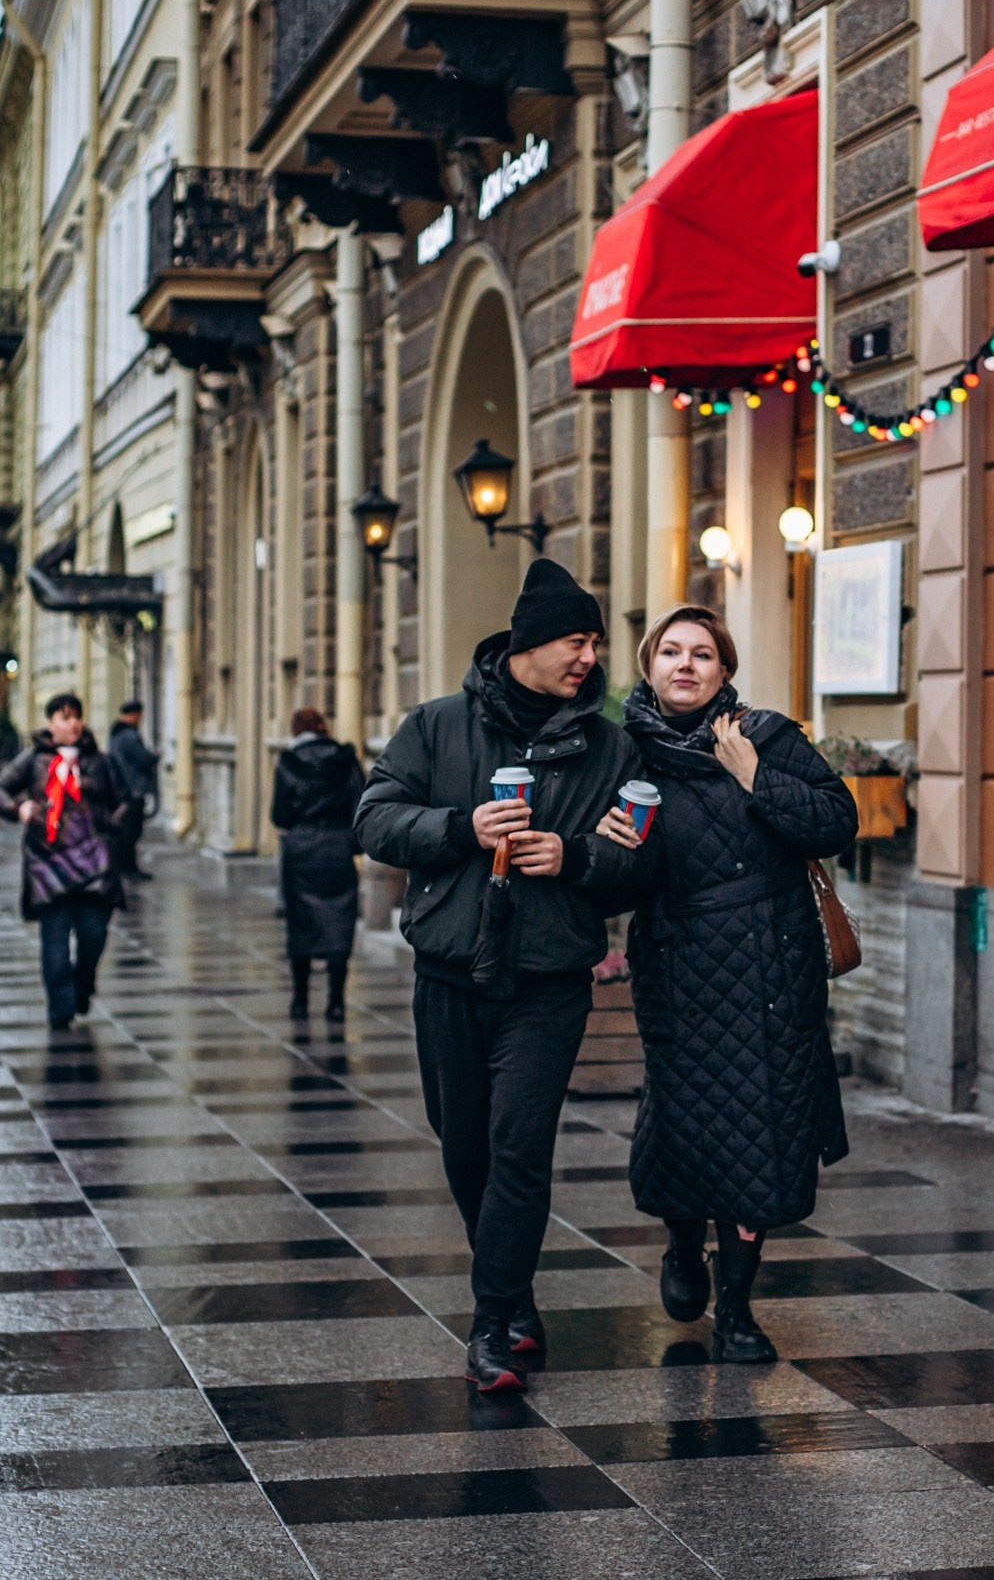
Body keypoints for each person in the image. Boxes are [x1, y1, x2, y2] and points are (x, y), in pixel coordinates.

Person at [354, 558, 654, 1393]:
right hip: (450, 973)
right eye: (574, 639)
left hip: (549, 978)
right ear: (525, 645)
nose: (589, 657)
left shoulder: (611, 746)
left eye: (596, 641)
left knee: (519, 1146)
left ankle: (490, 1327)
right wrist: (460, 826)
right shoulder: (437, 725)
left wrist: (578, 856)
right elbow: (373, 818)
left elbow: (640, 863)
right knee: (466, 1149)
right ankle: (515, 1291)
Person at [595, 604, 859, 1363]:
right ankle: (683, 1246)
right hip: (680, 972)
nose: (685, 664)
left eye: (702, 653)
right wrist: (605, 846)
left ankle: (738, 1310)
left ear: (725, 670)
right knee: (685, 1129)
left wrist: (757, 776)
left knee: (764, 1139)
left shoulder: (767, 737)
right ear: (649, 667)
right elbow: (609, 885)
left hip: (774, 976)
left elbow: (837, 824)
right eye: (670, 652)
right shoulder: (621, 757)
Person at [0, 693, 126, 1030]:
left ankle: (83, 985)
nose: (73, 723)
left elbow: (124, 800)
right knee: (55, 943)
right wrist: (20, 809)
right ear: (50, 723)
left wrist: (111, 825)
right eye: (64, 718)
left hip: (94, 863)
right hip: (47, 861)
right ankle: (60, 1009)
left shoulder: (99, 761)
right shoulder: (34, 759)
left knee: (94, 936)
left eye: (76, 716)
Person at [271, 707, 365, 1024]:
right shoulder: (346, 760)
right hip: (337, 848)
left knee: (301, 925)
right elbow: (361, 805)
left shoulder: (288, 762)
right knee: (340, 923)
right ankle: (336, 1002)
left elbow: (279, 814)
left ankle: (300, 1000)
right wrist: (352, 845)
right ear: (324, 728)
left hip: (301, 851)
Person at [107, 700, 159, 879]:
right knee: (131, 832)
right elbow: (143, 758)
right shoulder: (128, 735)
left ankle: (127, 868)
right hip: (132, 789)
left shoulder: (116, 733)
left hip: (124, 788)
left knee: (127, 832)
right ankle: (128, 869)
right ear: (134, 715)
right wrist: (155, 756)